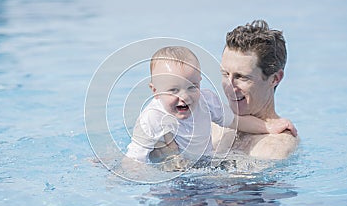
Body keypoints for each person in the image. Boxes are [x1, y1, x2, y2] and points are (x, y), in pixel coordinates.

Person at [126, 46, 297, 165]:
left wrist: (268, 126)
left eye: (192, 87)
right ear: (155, 91)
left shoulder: (206, 102)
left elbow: (235, 121)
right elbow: (134, 160)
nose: (184, 97)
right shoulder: (151, 119)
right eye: (173, 90)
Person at [212, 20, 299, 159]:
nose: (229, 86)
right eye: (225, 74)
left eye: (241, 77)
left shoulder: (275, 145)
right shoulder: (211, 123)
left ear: (275, 78)